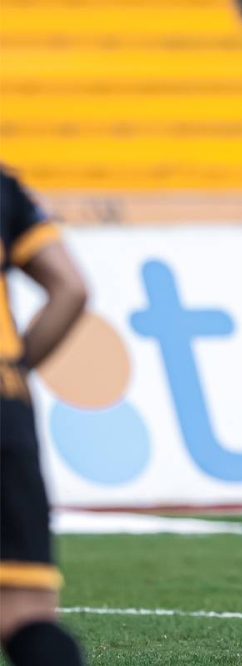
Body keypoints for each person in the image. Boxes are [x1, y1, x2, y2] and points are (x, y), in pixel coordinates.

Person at [0, 168, 89, 666]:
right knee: (25, 617)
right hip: (5, 409)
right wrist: (13, 373)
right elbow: (71, 288)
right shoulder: (3, 186)